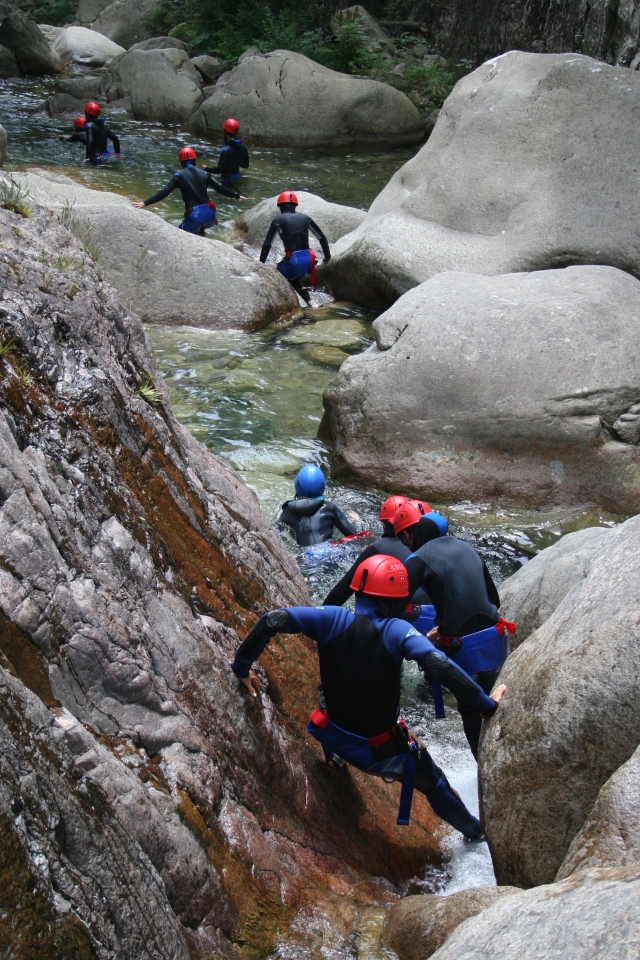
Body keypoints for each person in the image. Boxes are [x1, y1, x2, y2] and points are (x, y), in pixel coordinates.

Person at [231, 554, 507, 838]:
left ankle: (336, 757)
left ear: (359, 591)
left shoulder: (331, 618)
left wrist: (241, 666)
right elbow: (438, 665)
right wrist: (485, 704)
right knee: (434, 782)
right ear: (394, 600)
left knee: (330, 694)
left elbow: (273, 619)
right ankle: (476, 833)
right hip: (378, 754)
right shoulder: (396, 630)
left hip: (329, 731)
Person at [396, 508, 514, 759]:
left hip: (461, 650)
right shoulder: (469, 548)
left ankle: (482, 765)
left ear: (414, 534)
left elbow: (394, 608)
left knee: (471, 711)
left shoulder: (418, 558)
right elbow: (495, 599)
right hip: (495, 640)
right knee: (499, 710)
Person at [322, 498, 443, 607]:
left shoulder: (379, 546)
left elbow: (342, 591)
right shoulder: (437, 545)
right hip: (441, 611)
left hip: (410, 614)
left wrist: (320, 613)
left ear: (385, 525)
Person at [132, 146, 247, 235]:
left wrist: (145, 203)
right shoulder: (205, 174)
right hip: (211, 214)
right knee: (200, 234)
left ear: (181, 162)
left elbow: (164, 192)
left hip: (195, 216)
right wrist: (236, 195)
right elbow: (220, 188)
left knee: (177, 236)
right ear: (195, 160)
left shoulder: (179, 176)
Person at [260, 191, 330, 306]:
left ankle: (307, 302)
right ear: (295, 205)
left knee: (280, 270)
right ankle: (311, 302)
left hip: (294, 262)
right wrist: (327, 257)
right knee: (295, 275)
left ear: (280, 206)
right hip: (309, 262)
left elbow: (268, 243)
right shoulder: (305, 218)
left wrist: (261, 264)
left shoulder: (278, 220)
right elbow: (321, 237)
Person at [276, 465, 359, 547]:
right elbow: (356, 536)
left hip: (306, 555)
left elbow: (275, 531)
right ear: (322, 487)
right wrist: (358, 521)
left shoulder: (288, 510)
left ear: (297, 485)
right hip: (330, 550)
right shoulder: (330, 508)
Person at [201, 117, 249, 182]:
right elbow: (245, 165)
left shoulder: (225, 150)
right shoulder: (243, 148)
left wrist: (206, 169)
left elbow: (220, 170)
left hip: (226, 180)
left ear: (225, 132)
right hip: (238, 177)